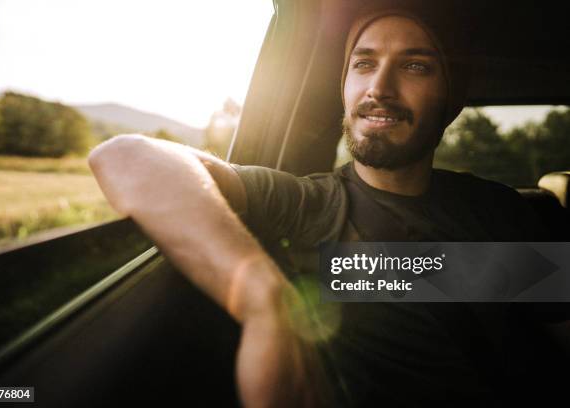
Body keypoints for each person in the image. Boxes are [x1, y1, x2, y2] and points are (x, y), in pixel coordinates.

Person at [88, 4, 569, 407]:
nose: (379, 87)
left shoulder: (501, 210)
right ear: (344, 86)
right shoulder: (305, 203)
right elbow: (125, 156)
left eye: (415, 65)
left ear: (450, 98)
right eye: (363, 63)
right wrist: (261, 297)